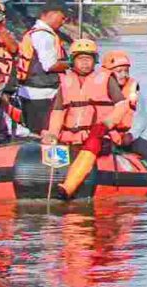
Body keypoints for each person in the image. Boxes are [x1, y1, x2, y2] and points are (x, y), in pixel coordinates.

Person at [44, 37, 121, 198]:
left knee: (94, 141)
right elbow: (58, 112)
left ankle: (68, 187)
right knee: (48, 143)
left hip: (100, 136)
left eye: (88, 59)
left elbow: (122, 106)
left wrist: (107, 123)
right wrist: (52, 134)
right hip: (71, 139)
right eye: (80, 59)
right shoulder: (65, 83)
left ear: (95, 61)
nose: (85, 63)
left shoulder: (107, 80)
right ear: (73, 61)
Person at [101, 50, 147, 194]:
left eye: (126, 71)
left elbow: (141, 118)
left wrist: (131, 135)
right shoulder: (97, 88)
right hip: (103, 134)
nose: (124, 74)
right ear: (108, 73)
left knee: (144, 146)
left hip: (125, 136)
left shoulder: (133, 92)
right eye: (119, 71)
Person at [15, 6, 69, 138]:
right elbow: (49, 65)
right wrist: (71, 64)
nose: (63, 22)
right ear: (51, 13)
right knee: (42, 133)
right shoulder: (43, 35)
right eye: (62, 18)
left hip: (31, 92)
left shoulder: (36, 32)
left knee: (36, 132)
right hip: (40, 94)